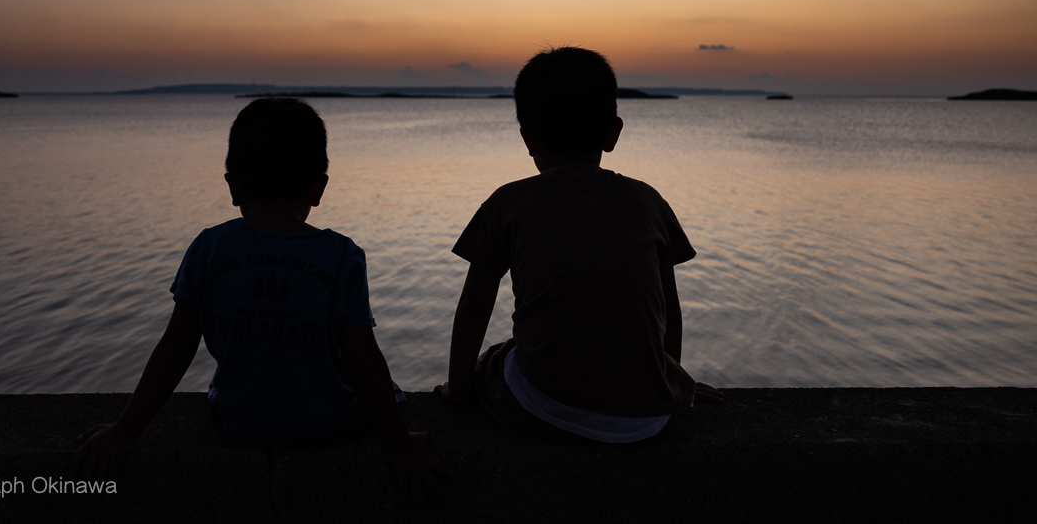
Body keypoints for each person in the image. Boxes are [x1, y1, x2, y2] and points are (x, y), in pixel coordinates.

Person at [72, 97, 454, 506]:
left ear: (233, 186)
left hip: (240, 424)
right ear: (318, 187)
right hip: (328, 425)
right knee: (389, 389)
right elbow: (361, 356)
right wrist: (397, 446)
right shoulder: (342, 255)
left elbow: (176, 346)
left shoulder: (209, 248)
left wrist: (125, 431)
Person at [436, 47, 723, 441]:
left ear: (529, 138)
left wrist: (459, 391)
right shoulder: (649, 202)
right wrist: (669, 380)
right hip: (647, 419)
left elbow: (473, 309)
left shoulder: (508, 203)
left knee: (496, 358)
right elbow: (667, 313)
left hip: (544, 408)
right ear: (613, 133)